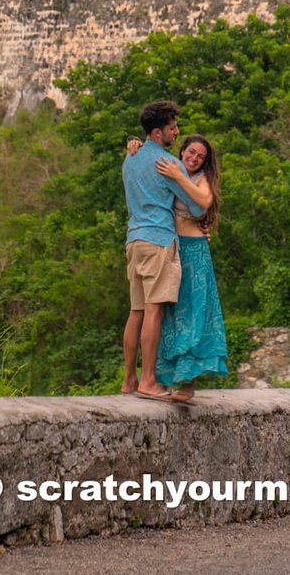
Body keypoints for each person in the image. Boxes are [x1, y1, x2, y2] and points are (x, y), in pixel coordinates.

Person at [121, 100, 205, 401]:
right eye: (172, 128)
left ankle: (129, 379)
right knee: (154, 312)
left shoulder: (130, 158)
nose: (176, 133)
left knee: (137, 312)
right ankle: (149, 381)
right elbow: (196, 207)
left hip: (134, 240)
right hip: (158, 242)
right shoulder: (169, 164)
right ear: (158, 133)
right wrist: (182, 177)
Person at [151, 134, 227, 401]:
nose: (193, 158)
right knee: (170, 314)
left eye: (200, 156)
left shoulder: (199, 179)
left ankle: (189, 384)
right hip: (171, 248)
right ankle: (166, 380)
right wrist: (134, 145)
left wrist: (179, 174)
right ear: (182, 150)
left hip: (194, 253)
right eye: (190, 152)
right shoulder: (168, 170)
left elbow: (204, 201)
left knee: (193, 314)